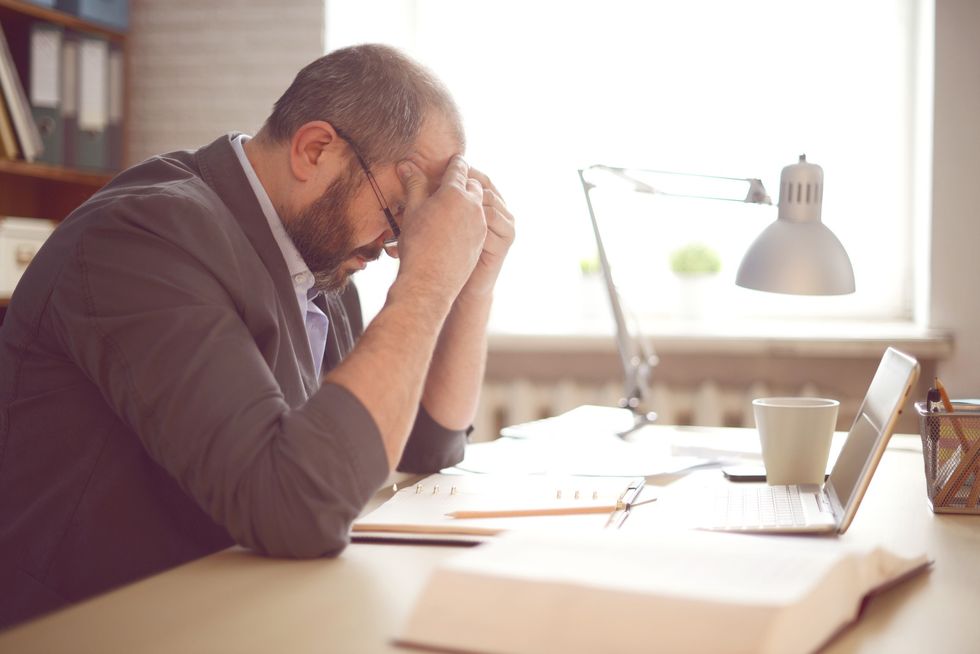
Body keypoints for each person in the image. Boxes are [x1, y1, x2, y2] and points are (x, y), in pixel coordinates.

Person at [0, 44, 514, 628]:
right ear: (315, 149)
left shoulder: (322, 262)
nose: (397, 245)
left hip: (225, 604)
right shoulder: (143, 236)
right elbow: (294, 509)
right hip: (86, 627)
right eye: (400, 211)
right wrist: (425, 284)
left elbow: (423, 448)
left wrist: (471, 286)